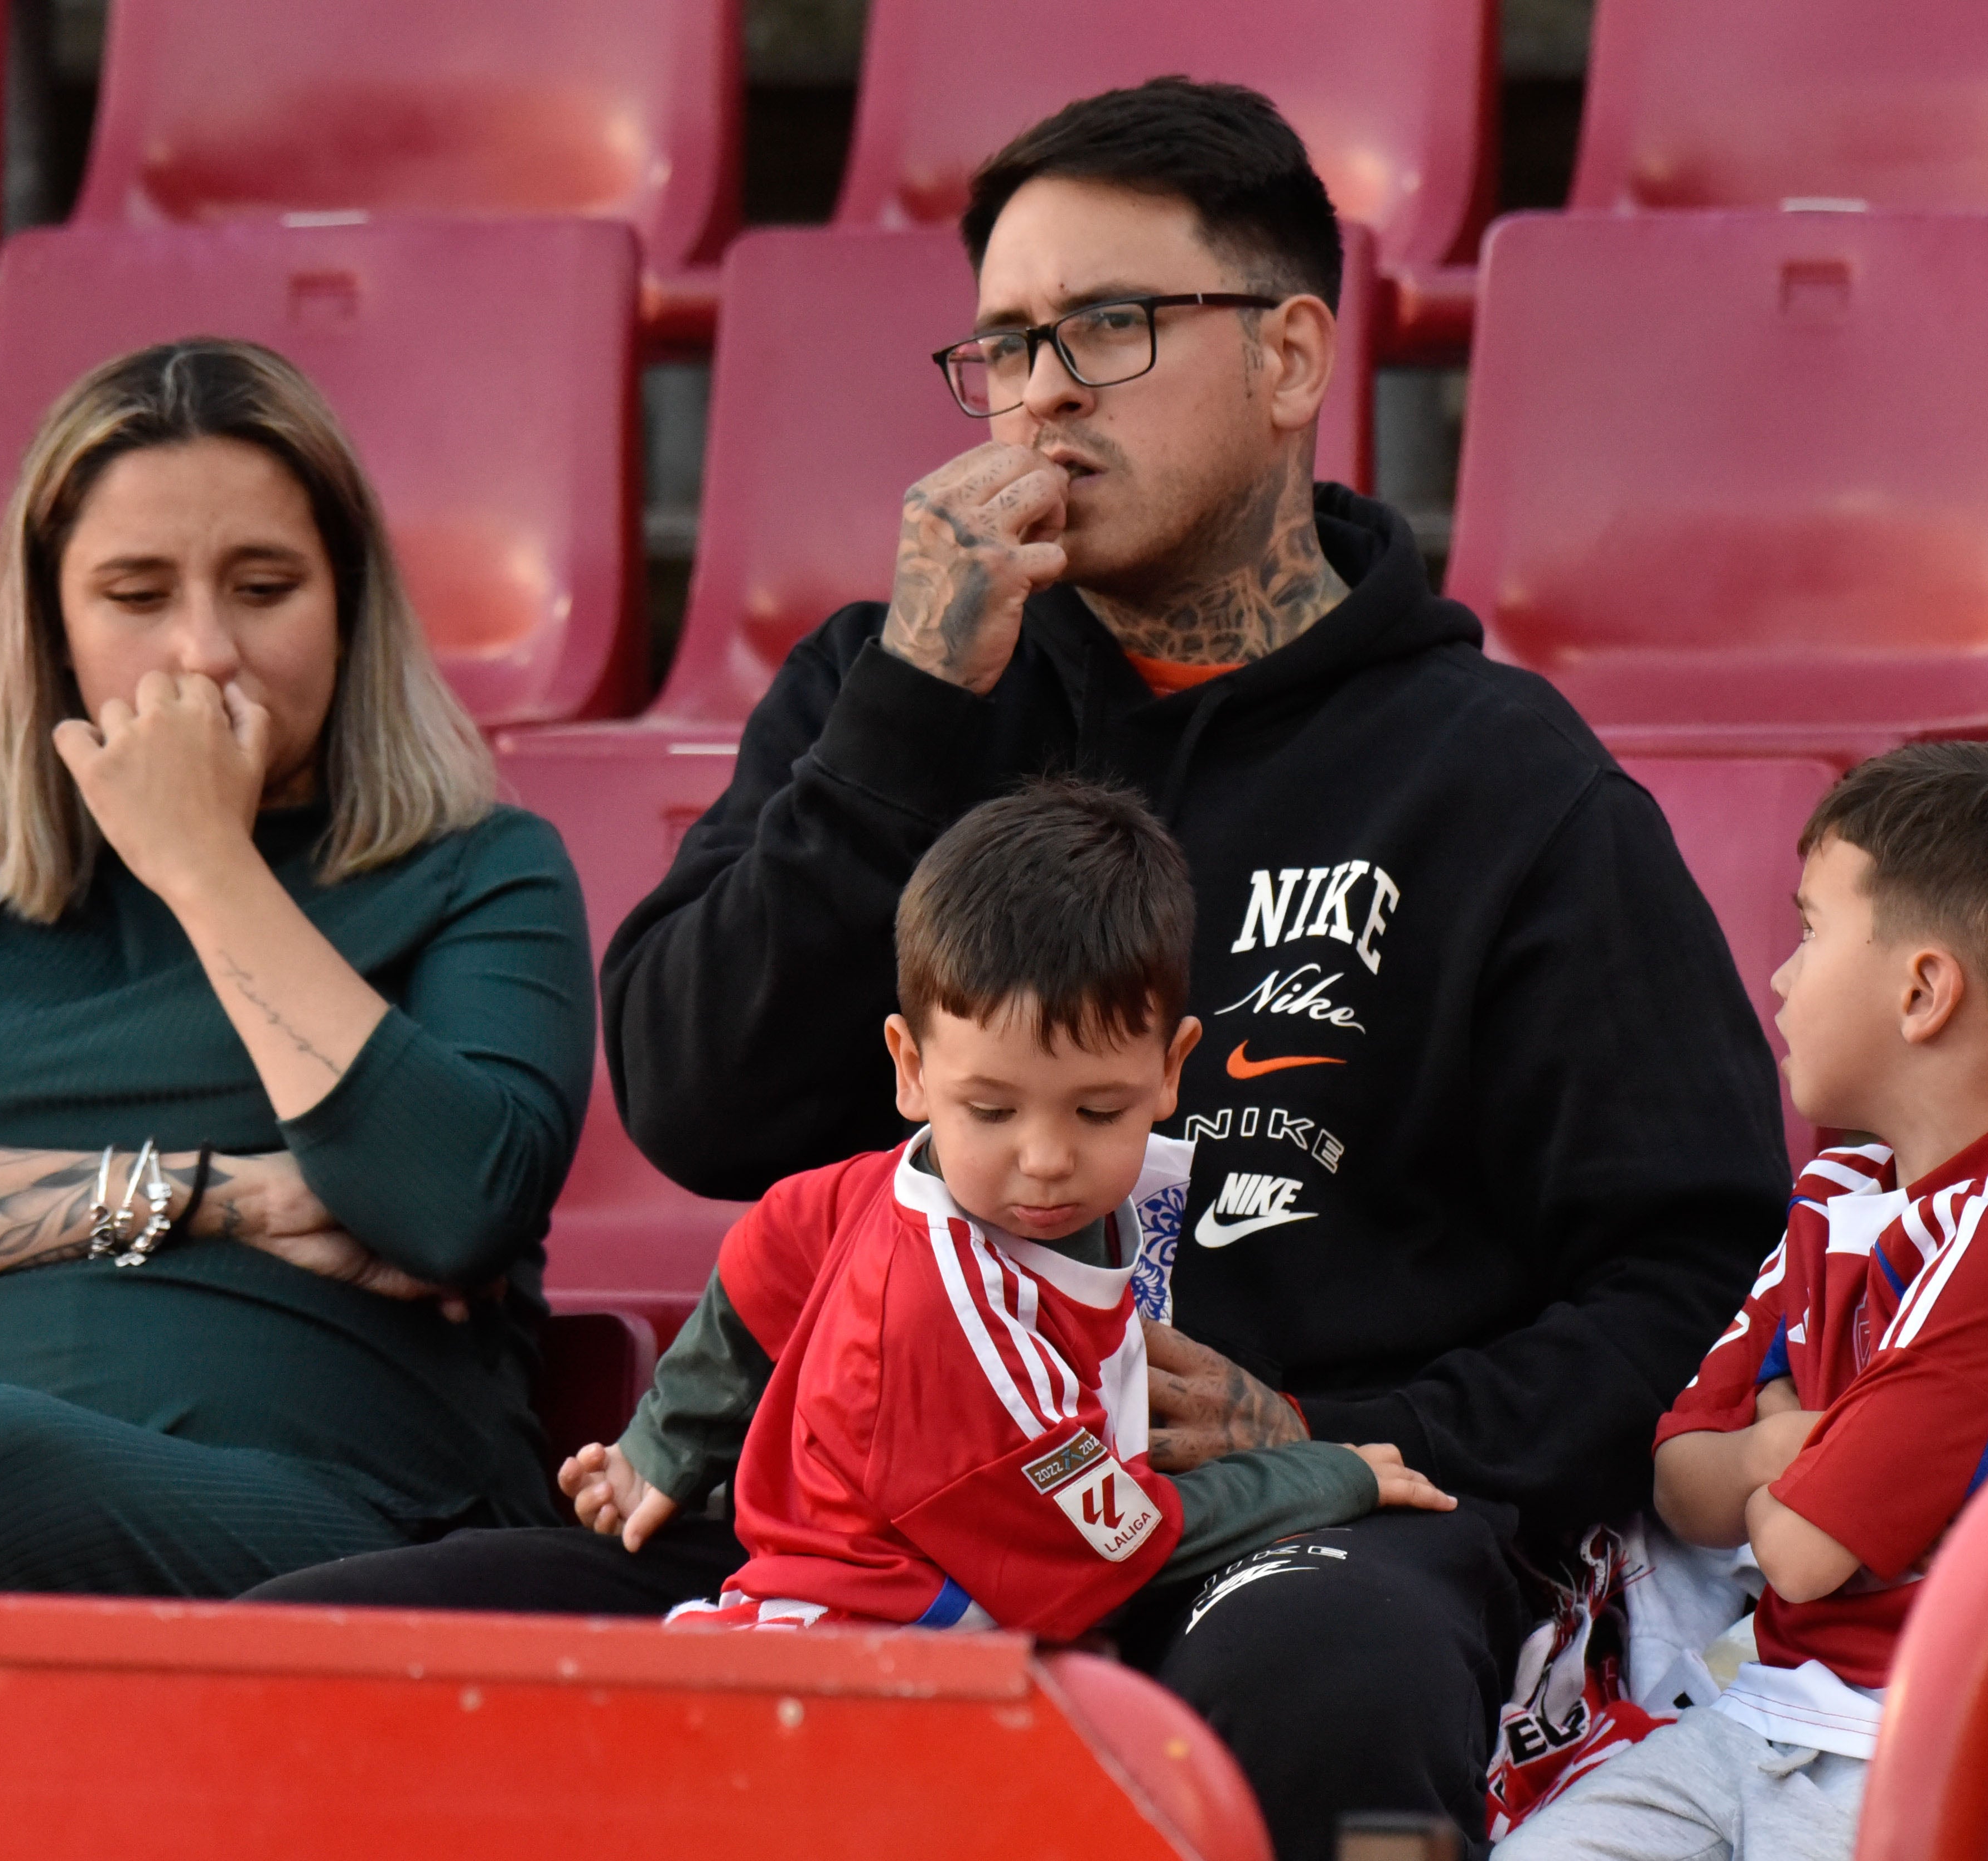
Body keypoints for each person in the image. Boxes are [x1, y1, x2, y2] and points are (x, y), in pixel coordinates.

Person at [252, 79, 1786, 1856]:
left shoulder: (1506, 786)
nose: (1043, 385)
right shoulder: (883, 695)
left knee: (1325, 1677)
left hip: (1299, 1529)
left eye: (1112, 328)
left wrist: (1336, 1422)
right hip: (868, 1537)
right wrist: (912, 708)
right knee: (311, 1662)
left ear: (1293, 358)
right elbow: (696, 1094)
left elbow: (1695, 1266)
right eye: (1003, 344)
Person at [0, 339, 596, 1594]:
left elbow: (455, 1206)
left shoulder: (485, 870)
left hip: (341, 1532)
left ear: (349, 603)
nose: (205, 652)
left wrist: (205, 862)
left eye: (264, 588)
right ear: (53, 621)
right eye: (138, 594)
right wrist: (210, 1195)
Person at [1499, 741, 1988, 1861]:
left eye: (1812, 930)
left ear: (1921, 991)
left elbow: (1799, 1554)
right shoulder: (1833, 1193)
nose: (1778, 974)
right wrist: (1792, 1452)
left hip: (1969, 1752)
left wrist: (1768, 1444)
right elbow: (1680, 1486)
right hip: (1756, 1715)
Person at [567, 779, 1453, 1636]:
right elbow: (1111, 1544)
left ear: (1172, 1069)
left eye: (1098, 1111)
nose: (1046, 1161)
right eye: (991, 1111)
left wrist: (664, 1447)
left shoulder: (888, 1182)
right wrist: (1317, 1478)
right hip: (853, 1654)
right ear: (910, 1068)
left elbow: (773, 1248)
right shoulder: (948, 1317)